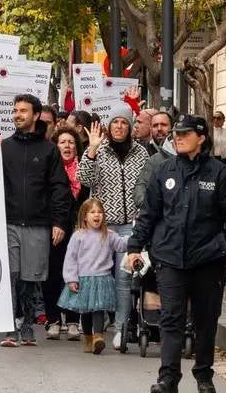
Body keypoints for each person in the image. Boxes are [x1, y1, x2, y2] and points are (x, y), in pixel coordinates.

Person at [128, 114, 226, 393]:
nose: (178, 138)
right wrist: (135, 247)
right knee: (171, 318)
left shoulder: (218, 172)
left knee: (206, 319)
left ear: (201, 138)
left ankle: (204, 376)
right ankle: (168, 379)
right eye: (176, 134)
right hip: (169, 258)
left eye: (185, 134)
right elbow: (148, 214)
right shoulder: (164, 170)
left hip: (208, 259)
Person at [0, 94, 72, 347]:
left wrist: (59, 222)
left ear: (35, 115)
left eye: (22, 110)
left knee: (31, 277)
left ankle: (28, 325)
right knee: (12, 275)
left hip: (38, 224)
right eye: (15, 110)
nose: (17, 114)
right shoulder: (3, 147)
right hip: (8, 222)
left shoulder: (48, 150)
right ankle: (11, 326)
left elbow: (59, 188)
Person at [78, 109, 149, 350]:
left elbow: (148, 185)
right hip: (101, 227)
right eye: (115, 122)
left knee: (124, 279)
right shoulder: (100, 149)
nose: (119, 126)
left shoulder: (141, 152)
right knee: (97, 276)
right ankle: (94, 326)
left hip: (130, 227)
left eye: (124, 123)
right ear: (109, 126)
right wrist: (92, 150)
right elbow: (83, 179)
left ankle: (120, 329)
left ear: (130, 127)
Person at [57, 198, 129, 355]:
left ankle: (98, 337)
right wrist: (71, 278)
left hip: (102, 279)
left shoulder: (109, 234)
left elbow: (122, 245)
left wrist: (135, 235)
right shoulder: (78, 236)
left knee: (99, 308)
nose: (97, 215)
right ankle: (88, 339)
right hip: (84, 279)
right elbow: (71, 258)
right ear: (84, 216)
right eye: (92, 212)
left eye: (100, 212)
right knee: (86, 311)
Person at [43, 128, 88, 342]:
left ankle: (72, 320)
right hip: (54, 228)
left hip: (79, 230)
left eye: (71, 142)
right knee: (53, 274)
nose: (67, 146)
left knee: (75, 274)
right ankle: (53, 320)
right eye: (62, 142)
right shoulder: (49, 169)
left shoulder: (84, 169)